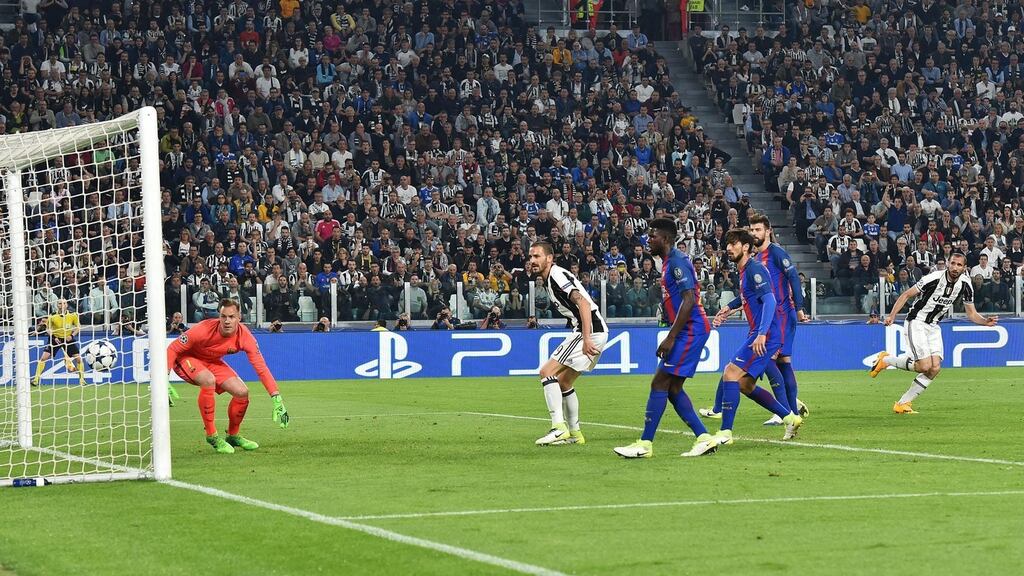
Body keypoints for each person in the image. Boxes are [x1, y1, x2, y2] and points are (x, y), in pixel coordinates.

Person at [613, 219, 721, 459]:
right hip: (688, 329)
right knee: (672, 388)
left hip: (690, 330)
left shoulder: (678, 262)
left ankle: (645, 444)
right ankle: (703, 437)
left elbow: (690, 300)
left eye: (653, 236)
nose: (649, 240)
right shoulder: (669, 263)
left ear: (666, 239)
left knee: (659, 383)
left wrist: (671, 337)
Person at [703, 214, 810, 424]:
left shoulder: (776, 253)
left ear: (768, 231)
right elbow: (750, 294)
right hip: (766, 319)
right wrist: (731, 307)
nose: (754, 234)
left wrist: (799, 308)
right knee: (767, 366)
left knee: (776, 363)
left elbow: (793, 278)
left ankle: (787, 412)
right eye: (751, 230)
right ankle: (789, 410)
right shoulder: (754, 261)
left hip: (780, 316)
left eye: (758, 230)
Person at [869, 253, 997, 413]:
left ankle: (902, 403)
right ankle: (886, 360)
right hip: (916, 321)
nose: (955, 267)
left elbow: (971, 313)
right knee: (924, 366)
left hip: (934, 326)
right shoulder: (934, 278)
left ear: (964, 268)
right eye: (953, 263)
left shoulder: (965, 284)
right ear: (948, 264)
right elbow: (906, 294)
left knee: (935, 368)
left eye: (959, 265)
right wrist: (892, 315)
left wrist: (985, 321)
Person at [166, 299, 290, 454]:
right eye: (223, 316)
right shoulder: (203, 329)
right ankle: (212, 435)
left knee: (242, 392)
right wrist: (164, 380)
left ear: (239, 318)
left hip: (211, 361)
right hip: (186, 359)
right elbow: (172, 349)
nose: (226, 321)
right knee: (208, 380)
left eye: (231, 317)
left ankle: (233, 435)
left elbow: (261, 368)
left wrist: (276, 397)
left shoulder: (245, 337)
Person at [528, 241, 609, 446]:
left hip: (589, 331)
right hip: (592, 330)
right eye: (531, 257)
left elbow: (582, 302)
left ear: (549, 258)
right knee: (564, 383)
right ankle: (575, 434)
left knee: (546, 371)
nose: (532, 261)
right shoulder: (549, 278)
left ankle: (558, 427)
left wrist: (586, 337)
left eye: (537, 256)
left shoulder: (556, 275)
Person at [33, 299, 85, 386]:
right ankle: (36, 379)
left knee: (78, 359)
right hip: (55, 339)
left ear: (67, 305)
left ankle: (82, 380)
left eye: (64, 303)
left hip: (68, 338)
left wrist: (72, 336)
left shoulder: (73, 314)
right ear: (57, 305)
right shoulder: (53, 315)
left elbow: (78, 327)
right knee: (43, 358)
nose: (62, 305)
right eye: (60, 304)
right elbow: (48, 329)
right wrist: (54, 337)